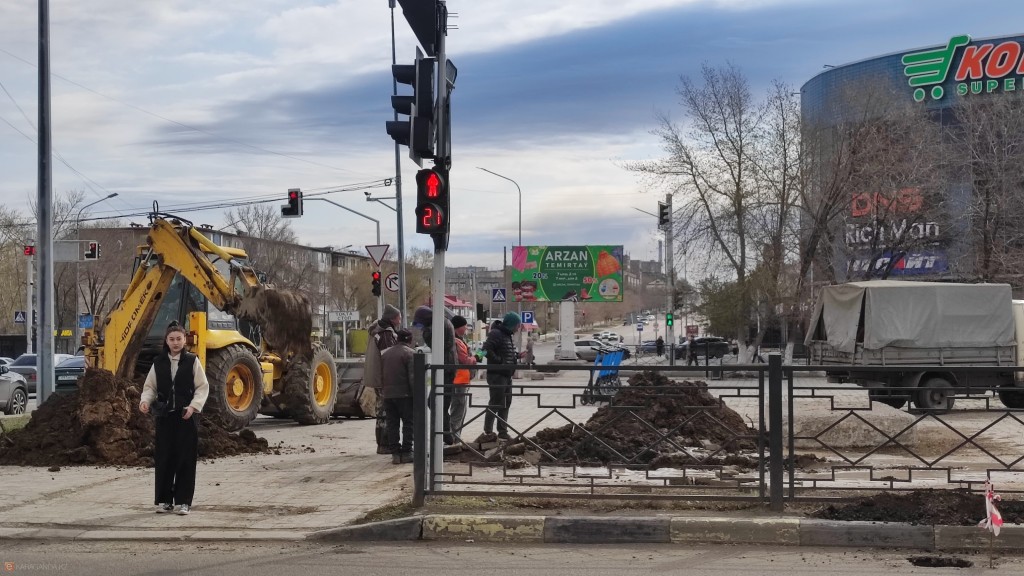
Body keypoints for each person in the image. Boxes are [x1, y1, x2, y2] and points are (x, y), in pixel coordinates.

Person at [139, 321, 210, 515]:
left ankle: (183, 502)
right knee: (164, 458)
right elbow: (150, 387)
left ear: (185, 340)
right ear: (166, 341)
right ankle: (164, 500)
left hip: (186, 417)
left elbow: (202, 387)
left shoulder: (192, 361)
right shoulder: (158, 362)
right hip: (164, 417)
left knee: (185, 459)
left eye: (179, 339)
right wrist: (145, 402)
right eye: (172, 339)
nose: (176, 342)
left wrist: (194, 407)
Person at [412, 305, 458, 445]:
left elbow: (435, 344)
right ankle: (445, 434)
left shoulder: (433, 328)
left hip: (445, 367)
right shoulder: (443, 321)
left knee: (436, 402)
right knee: (438, 402)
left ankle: (445, 434)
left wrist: (426, 332)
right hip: (448, 366)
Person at [478, 312, 521, 442]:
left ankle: (502, 431)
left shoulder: (507, 335)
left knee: (506, 403)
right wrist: (499, 362)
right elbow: (485, 349)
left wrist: (517, 356)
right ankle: (488, 431)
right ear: (512, 324)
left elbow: (505, 351)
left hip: (506, 374)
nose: (518, 328)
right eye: (518, 325)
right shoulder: (496, 333)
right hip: (497, 374)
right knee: (495, 403)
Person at [365, 304, 401, 455]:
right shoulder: (386, 334)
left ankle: (382, 443)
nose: (400, 320)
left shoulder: (378, 331)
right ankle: (384, 444)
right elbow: (389, 358)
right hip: (384, 378)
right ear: (393, 318)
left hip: (378, 377)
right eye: (399, 317)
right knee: (386, 411)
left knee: (382, 411)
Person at [381, 329, 416, 464]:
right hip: (405, 395)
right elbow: (412, 378)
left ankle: (395, 454)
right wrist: (417, 396)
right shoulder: (410, 354)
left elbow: (381, 375)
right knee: (408, 423)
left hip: (388, 395)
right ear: (410, 340)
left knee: (392, 424)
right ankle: (407, 452)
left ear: (397, 339)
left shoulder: (386, 354)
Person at [450, 315, 477, 440]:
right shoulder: (457, 342)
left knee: (460, 408)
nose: (466, 328)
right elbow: (464, 360)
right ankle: (454, 436)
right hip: (459, 379)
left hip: (461, 379)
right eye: (465, 325)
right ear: (459, 327)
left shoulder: (459, 340)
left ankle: (455, 435)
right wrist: (475, 359)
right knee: (459, 408)